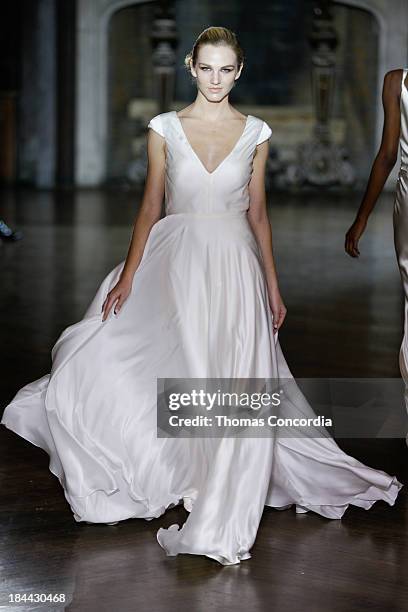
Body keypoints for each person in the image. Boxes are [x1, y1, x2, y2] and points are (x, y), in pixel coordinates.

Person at [1, 27, 403, 566]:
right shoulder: (164, 128)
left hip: (237, 265)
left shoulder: (255, 132)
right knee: (172, 361)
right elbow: (150, 207)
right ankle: (188, 468)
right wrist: (128, 276)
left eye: (226, 69)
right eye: (207, 68)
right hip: (178, 257)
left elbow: (258, 216)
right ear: (192, 67)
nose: (216, 79)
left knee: (234, 375)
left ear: (239, 73)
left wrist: (273, 287)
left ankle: (227, 484)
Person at [345, 67, 408, 444]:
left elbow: (387, 155)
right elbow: (386, 154)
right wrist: (361, 217)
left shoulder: (396, 81)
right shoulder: (395, 81)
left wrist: (362, 217)